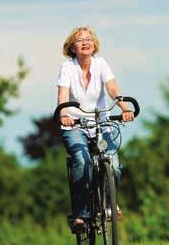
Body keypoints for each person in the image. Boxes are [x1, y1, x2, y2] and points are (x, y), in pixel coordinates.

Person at [57, 26, 134, 231]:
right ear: (72, 47)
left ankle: (109, 203)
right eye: (80, 39)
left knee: (114, 164)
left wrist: (124, 108)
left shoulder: (101, 64)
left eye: (89, 38)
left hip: (101, 124)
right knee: (82, 161)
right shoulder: (67, 68)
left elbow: (112, 89)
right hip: (75, 126)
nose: (85, 42)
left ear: (95, 43)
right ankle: (81, 215)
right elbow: (63, 95)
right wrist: (64, 114)